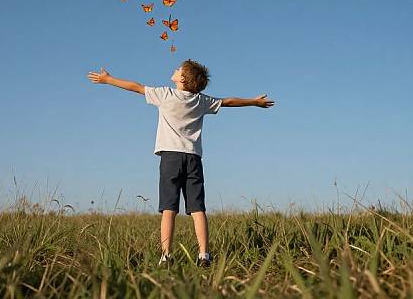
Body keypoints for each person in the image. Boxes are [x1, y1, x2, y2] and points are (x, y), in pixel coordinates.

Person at [87, 59, 275, 267]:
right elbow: (228, 101)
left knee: (169, 208)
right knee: (198, 208)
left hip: (171, 158)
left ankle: (166, 255)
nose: (175, 70)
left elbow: (136, 87)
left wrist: (108, 79)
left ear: (183, 79)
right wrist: (254, 102)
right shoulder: (201, 101)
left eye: (178, 70)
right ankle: (204, 254)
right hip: (193, 158)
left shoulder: (165, 95)